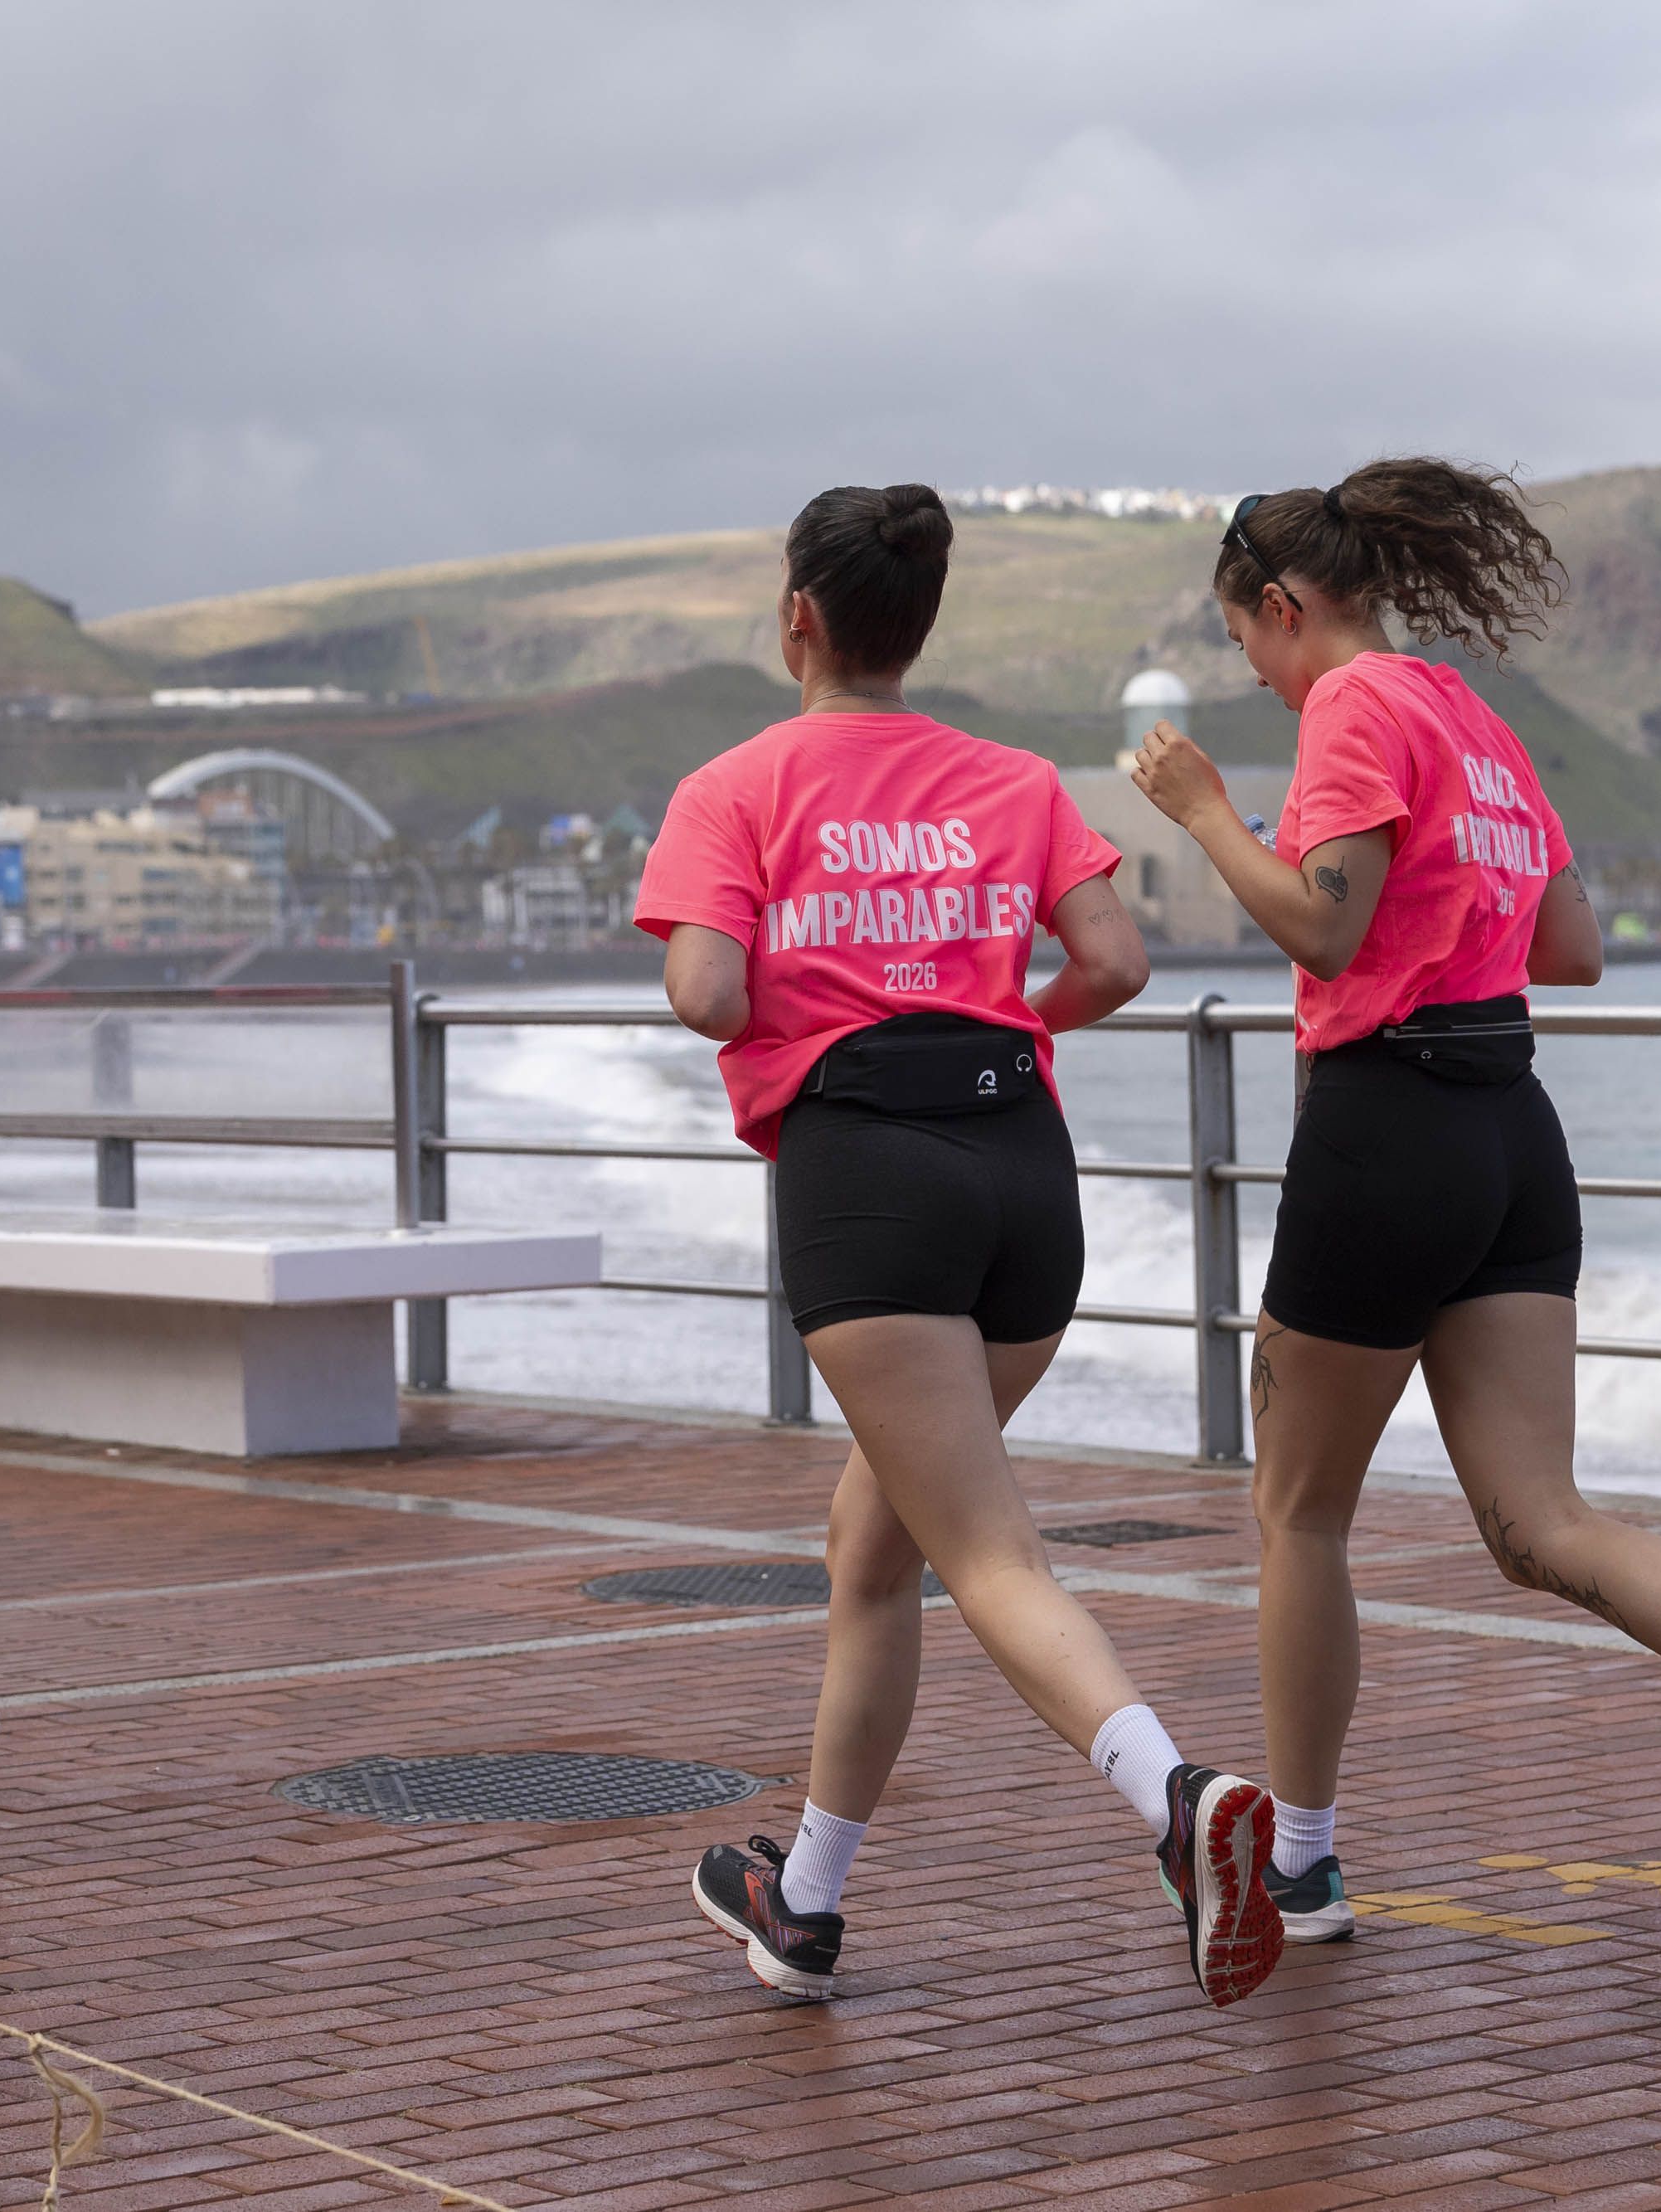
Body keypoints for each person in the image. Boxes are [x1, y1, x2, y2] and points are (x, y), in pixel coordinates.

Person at [1129, 460, 1661, 1942]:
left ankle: (1301, 1857)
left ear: (1286, 607)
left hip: (1387, 1123)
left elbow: (1327, 928)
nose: (1262, 677)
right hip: (1511, 1133)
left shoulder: (1352, 708)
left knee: (1297, 1509)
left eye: (1250, 645)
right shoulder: (1476, 719)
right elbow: (1578, 945)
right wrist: (1447, 910)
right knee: (1542, 1519)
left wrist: (1209, 814)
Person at [639, 484, 1284, 2010]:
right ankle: (801, 1903)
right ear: (913, 625)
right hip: (1022, 1176)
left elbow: (709, 997)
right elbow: (1115, 960)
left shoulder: (735, 786)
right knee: (875, 1550)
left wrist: (796, 988)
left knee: (988, 1555)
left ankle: (1178, 1801)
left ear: (800, 617)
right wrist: (996, 1018)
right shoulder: (1007, 779)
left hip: (870, 1178)